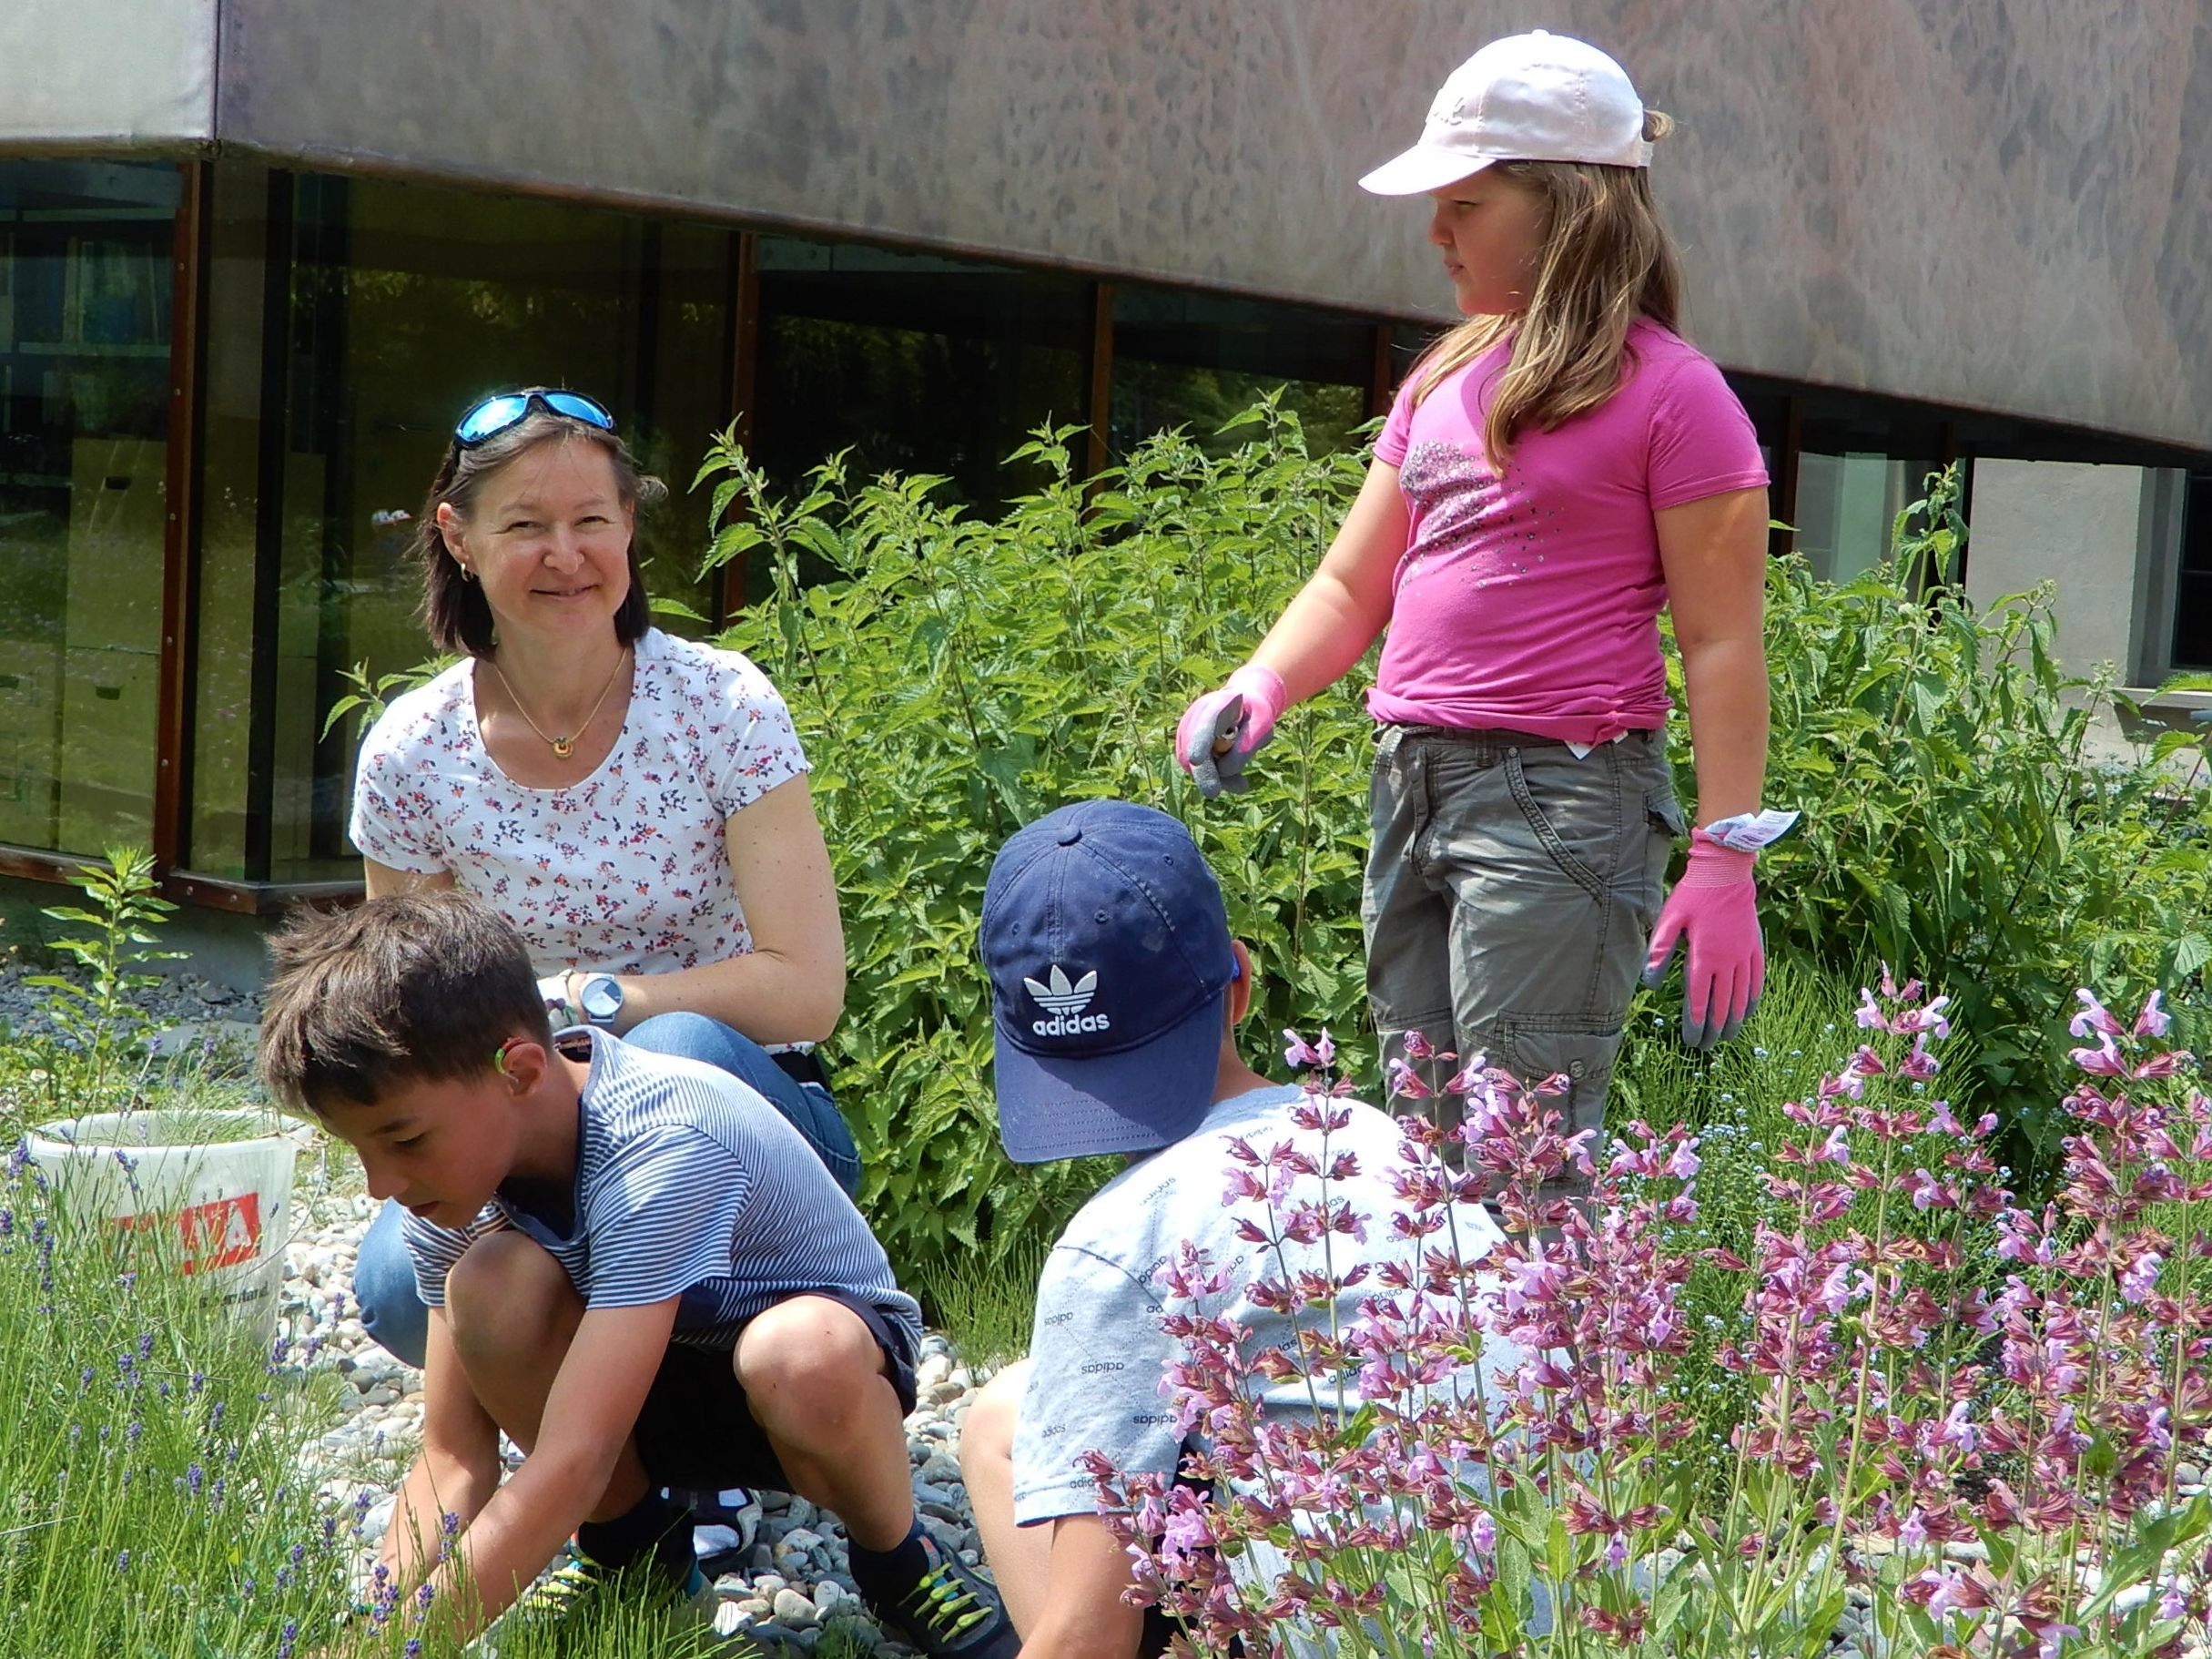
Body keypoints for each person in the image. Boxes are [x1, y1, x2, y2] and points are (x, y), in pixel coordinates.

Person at [1174, 33, 1786, 1171]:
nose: (1435, 232)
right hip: (1413, 781)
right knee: (1427, 1160)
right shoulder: (1444, 376)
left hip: (1559, 799)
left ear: (1568, 210)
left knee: (1521, 1162)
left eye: (1464, 202)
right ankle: (1454, 1358)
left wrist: (1725, 856)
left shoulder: (1677, 398)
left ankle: (1535, 1352)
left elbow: (1719, 642)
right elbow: (1351, 582)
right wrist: (1261, 680)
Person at [258, 890, 1017, 1657]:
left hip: (810, 1392)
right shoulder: (453, 1190)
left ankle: (899, 1561)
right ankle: (640, 1561)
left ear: (519, 1070)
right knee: (491, 1282)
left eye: (405, 1139)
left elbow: (576, 1457)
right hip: (628, 1374)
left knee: (798, 1351)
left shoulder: (661, 1146)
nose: (379, 1186)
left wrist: (398, 1653)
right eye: (358, 1150)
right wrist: (372, 1623)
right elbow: (455, 1457)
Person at [344, 387, 858, 1372]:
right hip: (530, 1118)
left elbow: (808, 989)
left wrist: (595, 1004)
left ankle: (705, 1419)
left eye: (592, 521)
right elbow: (408, 1020)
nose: (566, 555)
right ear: (457, 535)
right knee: (398, 1291)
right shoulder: (411, 749)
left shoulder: (723, 704)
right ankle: (623, 1482)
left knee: (677, 1044)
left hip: (747, 1113)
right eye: (526, 525)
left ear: (630, 526)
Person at [956, 799, 1530, 1659]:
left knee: (1000, 1425)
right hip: (1562, 1596)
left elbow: (1088, 1638)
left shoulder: (1117, 1239)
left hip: (1363, 1623)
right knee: (1013, 1411)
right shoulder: (1377, 1140)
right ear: (1242, 982)